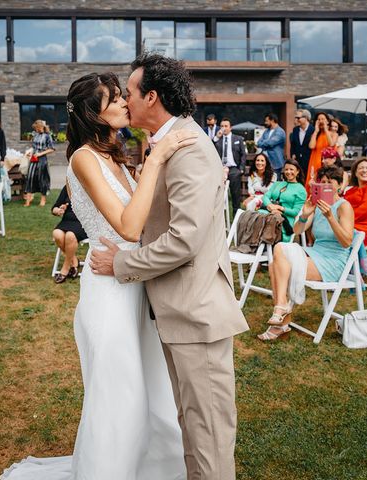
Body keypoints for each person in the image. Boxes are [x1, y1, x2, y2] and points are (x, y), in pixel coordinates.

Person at [94, 54, 248, 480]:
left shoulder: (188, 147)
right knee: (191, 422)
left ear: (153, 97)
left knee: (209, 428)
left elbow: (184, 240)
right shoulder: (164, 143)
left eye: (129, 92)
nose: (125, 100)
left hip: (196, 310)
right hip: (177, 308)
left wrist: (121, 263)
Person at [258, 165, 354, 341]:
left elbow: (347, 241)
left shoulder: (344, 207)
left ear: (339, 186)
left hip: (333, 261)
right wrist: (305, 214)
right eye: (321, 182)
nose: (324, 186)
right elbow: (297, 229)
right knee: (279, 252)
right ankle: (281, 310)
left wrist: (330, 218)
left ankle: (281, 319)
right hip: (315, 253)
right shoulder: (317, 206)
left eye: (329, 183)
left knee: (275, 265)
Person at [261, 159, 307, 242]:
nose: (288, 172)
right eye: (286, 169)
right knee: (253, 216)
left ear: (297, 171)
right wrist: (270, 206)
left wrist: (280, 208)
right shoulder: (278, 184)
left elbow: (295, 212)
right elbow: (265, 196)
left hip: (284, 220)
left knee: (265, 218)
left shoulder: (301, 190)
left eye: (291, 169)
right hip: (269, 212)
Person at [51, 185, 87, 283]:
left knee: (70, 235)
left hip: (84, 222)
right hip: (67, 220)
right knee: (57, 234)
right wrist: (58, 210)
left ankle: (65, 269)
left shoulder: (91, 186)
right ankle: (74, 261)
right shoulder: (68, 187)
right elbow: (54, 208)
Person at [214, 117, 247, 213]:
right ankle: (220, 217)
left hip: (234, 170)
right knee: (219, 195)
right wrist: (216, 137)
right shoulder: (218, 140)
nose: (223, 128)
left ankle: (236, 217)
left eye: (226, 126)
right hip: (220, 170)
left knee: (235, 195)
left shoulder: (238, 139)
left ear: (230, 127)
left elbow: (243, 154)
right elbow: (211, 149)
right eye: (222, 126)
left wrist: (241, 168)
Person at [24, 119, 54, 207]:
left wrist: (40, 154)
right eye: (35, 128)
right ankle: (28, 200)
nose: (36, 130)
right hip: (33, 159)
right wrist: (30, 152)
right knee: (30, 177)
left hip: (42, 160)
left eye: (37, 128)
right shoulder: (35, 135)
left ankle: (43, 199)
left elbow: (51, 149)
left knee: (42, 178)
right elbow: (33, 147)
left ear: (41, 127)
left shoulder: (47, 136)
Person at [305, 111, 337, 189]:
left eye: (323, 119)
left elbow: (332, 144)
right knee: (313, 183)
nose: (321, 121)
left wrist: (326, 130)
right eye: (319, 119)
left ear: (327, 121)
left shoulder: (333, 133)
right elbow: (311, 146)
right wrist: (316, 131)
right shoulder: (315, 134)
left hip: (327, 162)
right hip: (315, 161)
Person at [257, 112, 286, 178]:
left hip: (275, 162)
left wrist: (264, 143)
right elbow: (258, 142)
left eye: (267, 121)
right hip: (266, 162)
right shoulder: (266, 131)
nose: (265, 123)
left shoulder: (280, 131)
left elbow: (271, 143)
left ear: (272, 120)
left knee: (275, 182)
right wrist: (266, 143)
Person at [289, 109, 314, 176]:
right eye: (295, 117)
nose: (296, 120)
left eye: (298, 118)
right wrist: (293, 154)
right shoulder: (295, 130)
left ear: (306, 118)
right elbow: (293, 144)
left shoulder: (313, 130)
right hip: (297, 162)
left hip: (309, 161)